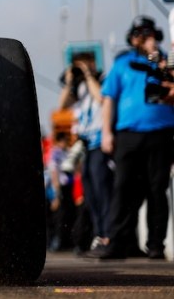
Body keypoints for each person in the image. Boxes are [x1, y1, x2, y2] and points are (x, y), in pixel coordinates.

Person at [88, 15, 174, 260]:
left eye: (149, 33)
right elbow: (108, 100)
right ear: (132, 38)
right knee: (123, 187)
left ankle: (156, 245)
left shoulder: (166, 62)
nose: (144, 38)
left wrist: (158, 59)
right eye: (140, 34)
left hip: (161, 132)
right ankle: (117, 241)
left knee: (156, 189)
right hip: (128, 135)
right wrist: (106, 132)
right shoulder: (122, 64)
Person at [58, 52, 112, 254]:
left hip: (100, 142)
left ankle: (107, 235)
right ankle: (99, 235)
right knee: (90, 193)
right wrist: (70, 81)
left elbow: (100, 97)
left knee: (102, 191)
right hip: (86, 146)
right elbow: (62, 105)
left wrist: (89, 75)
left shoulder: (103, 79)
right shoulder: (80, 87)